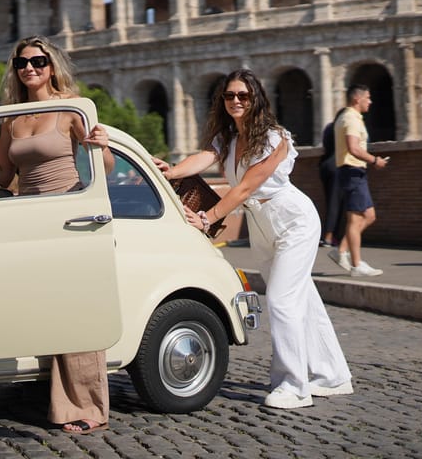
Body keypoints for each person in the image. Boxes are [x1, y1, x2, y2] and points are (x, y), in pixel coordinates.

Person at [0, 35, 114, 434]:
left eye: (38, 61)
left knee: (76, 313)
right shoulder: (12, 117)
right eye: (22, 63)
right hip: (28, 220)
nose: (30, 69)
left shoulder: (71, 108)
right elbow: (4, 175)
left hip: (68, 214)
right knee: (41, 309)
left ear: (52, 66)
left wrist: (103, 145)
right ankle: (42, 393)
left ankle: (88, 406)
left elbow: (99, 164)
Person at [153, 69, 352, 409]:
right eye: (229, 96)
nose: (235, 101)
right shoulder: (228, 138)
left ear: (256, 99)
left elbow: (245, 187)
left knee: (281, 300)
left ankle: (294, 385)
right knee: (304, 299)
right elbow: (204, 158)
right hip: (263, 228)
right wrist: (172, 170)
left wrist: (208, 218)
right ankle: (332, 377)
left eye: (243, 96)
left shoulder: (275, 138)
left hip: (293, 221)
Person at [329, 84, 388, 277]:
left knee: (369, 216)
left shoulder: (347, 117)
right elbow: (353, 148)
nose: (370, 101)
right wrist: (375, 160)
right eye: (368, 98)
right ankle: (356, 265)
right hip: (352, 171)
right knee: (355, 220)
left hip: (355, 173)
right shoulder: (351, 119)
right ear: (357, 99)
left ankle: (340, 251)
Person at [317, 110, 346, 248]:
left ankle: (332, 236)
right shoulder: (342, 127)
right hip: (338, 166)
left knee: (331, 202)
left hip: (325, 165)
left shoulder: (329, 127)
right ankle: (329, 237)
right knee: (335, 203)